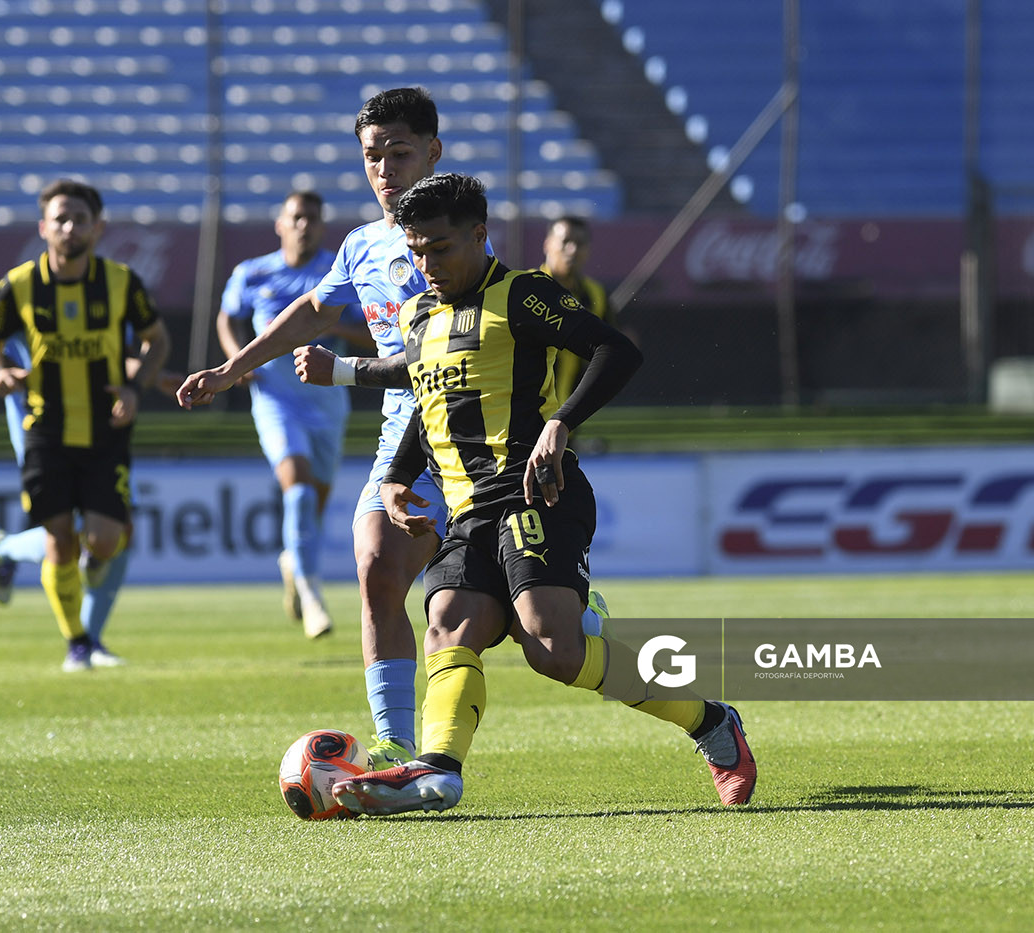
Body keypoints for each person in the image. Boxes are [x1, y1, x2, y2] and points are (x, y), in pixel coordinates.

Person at [330, 174, 756, 816]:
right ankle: (438, 772)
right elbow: (427, 401)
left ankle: (712, 721)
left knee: (553, 649)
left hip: (536, 494)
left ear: (478, 235)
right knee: (448, 626)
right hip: (467, 511)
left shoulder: (523, 294)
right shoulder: (419, 315)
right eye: (416, 251)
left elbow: (615, 350)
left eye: (440, 249)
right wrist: (395, 477)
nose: (427, 265)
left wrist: (560, 422)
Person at [178, 88, 459, 770]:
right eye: (372, 156)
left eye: (399, 153)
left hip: (479, 442)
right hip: (406, 442)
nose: (385, 170)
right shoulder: (363, 246)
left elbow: (449, 357)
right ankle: (396, 745)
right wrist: (232, 368)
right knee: (376, 567)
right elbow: (312, 309)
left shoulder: (459, 240)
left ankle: (701, 710)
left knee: (548, 635)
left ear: (433, 152)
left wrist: (344, 372)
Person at [0, 178, 171, 672]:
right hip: (45, 428)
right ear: (43, 227)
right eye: (60, 219)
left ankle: (33, 562)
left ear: (98, 228)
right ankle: (78, 643)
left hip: (105, 427)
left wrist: (135, 387)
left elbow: (157, 340)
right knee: (59, 537)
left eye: (80, 219)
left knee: (107, 539)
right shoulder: (20, 285)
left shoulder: (121, 283)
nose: (69, 228)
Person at [217, 191, 372, 639]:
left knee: (312, 505)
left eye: (313, 218)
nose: (304, 225)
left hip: (327, 400)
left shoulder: (339, 273)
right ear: (280, 224)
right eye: (297, 217)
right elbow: (228, 318)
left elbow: (374, 333)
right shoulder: (253, 272)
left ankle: (294, 561)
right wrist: (236, 360)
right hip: (275, 399)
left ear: (322, 226)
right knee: (299, 492)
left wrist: (332, 325)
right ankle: (311, 593)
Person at [540, 216, 614, 412]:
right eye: (565, 241)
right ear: (547, 244)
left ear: (588, 250)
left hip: (567, 415)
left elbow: (608, 348)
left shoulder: (595, 294)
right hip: (523, 416)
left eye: (580, 244)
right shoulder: (525, 288)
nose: (572, 250)